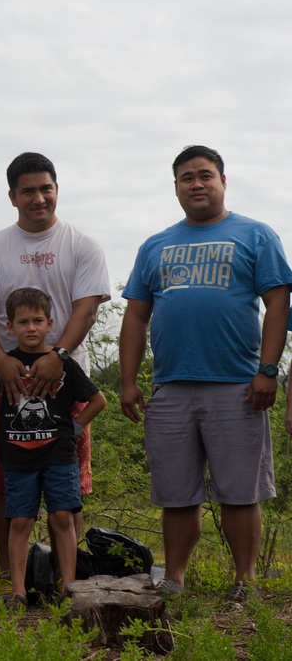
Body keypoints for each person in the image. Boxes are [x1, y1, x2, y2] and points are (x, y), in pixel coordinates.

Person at [120, 145, 291, 603]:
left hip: (238, 385)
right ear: (175, 187)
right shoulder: (155, 245)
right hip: (171, 386)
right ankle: (174, 580)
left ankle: (245, 582)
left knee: (240, 492)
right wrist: (128, 380)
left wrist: (268, 370)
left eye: (205, 175)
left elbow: (279, 304)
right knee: (176, 494)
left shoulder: (255, 235)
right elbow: (135, 317)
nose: (196, 184)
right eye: (186, 178)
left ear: (223, 181)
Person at [0, 152, 109, 591]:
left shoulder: (82, 245)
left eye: (46, 188)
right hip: (9, 383)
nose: (38, 197)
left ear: (56, 190)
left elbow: (85, 309)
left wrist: (58, 355)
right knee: (7, 483)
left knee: (68, 492)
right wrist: (1, 361)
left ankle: (66, 582)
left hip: (67, 383)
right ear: (12, 196)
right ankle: (10, 578)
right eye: (28, 190)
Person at [0, 288, 106, 609]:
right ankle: (17, 591)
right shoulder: (5, 365)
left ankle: (70, 587)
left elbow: (98, 401)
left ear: (50, 323)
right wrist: (9, 432)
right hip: (18, 460)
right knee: (20, 521)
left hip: (59, 458)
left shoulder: (63, 365)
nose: (30, 328)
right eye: (23, 322)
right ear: (9, 326)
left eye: (37, 321)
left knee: (63, 516)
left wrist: (72, 430)